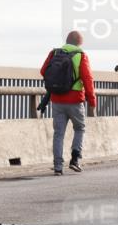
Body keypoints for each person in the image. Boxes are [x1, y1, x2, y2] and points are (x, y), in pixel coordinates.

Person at [40, 30, 97, 175]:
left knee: (58, 133)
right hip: (75, 100)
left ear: (67, 41)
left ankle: (58, 167)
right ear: (80, 43)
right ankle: (75, 160)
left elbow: (43, 71)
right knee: (80, 128)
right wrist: (92, 101)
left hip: (57, 99)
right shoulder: (80, 55)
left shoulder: (54, 53)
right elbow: (88, 79)